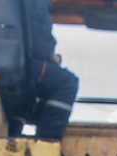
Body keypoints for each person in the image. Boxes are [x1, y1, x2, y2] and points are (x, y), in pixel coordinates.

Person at [22, 0, 78, 140]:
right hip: (25, 65)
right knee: (67, 82)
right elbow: (39, 36)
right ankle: (47, 141)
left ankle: (14, 126)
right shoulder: (35, 3)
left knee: (21, 92)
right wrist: (51, 59)